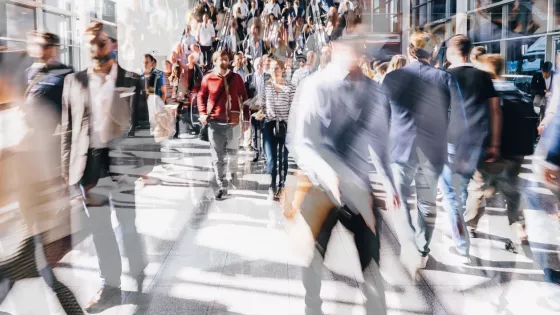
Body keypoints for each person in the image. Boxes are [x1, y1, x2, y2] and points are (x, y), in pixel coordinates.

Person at [286, 30, 397, 315]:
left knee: (371, 260)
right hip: (320, 187)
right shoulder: (315, 86)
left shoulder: (374, 91)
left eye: (359, 49)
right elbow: (301, 141)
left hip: (359, 189)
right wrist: (328, 173)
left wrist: (389, 180)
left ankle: (376, 310)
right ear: (334, 49)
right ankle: (313, 307)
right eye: (350, 48)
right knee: (313, 257)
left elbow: (381, 142)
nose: (356, 55)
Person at [61, 22, 147, 312]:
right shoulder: (74, 82)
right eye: (90, 43)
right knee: (100, 228)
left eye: (100, 42)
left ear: (113, 44)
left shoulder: (133, 81)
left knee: (127, 224)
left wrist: (144, 164)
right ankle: (110, 285)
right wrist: (66, 169)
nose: (95, 49)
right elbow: (68, 128)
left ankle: (136, 259)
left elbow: (142, 127)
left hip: (122, 163)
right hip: (90, 166)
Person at [0, 48, 84, 315]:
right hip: (27, 230)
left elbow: (40, 175)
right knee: (45, 281)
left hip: (29, 231)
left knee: (35, 283)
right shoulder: (21, 114)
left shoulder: (25, 117)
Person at [382, 31, 469, 277]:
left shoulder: (392, 78)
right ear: (432, 53)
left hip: (400, 150)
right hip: (433, 151)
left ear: (410, 51)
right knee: (427, 204)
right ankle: (422, 250)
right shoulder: (446, 79)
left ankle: (408, 243)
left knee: (398, 200)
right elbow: (459, 121)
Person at [438, 35, 501, 259]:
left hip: (451, 141)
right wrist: (494, 143)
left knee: (450, 193)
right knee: (462, 187)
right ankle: (460, 226)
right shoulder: (483, 77)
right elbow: (495, 111)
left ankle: (461, 242)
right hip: (477, 142)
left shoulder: (443, 76)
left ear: (451, 52)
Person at [464, 53, 531, 250]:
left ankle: (470, 225)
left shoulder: (488, 92)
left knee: (478, 188)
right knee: (512, 192)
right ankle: (518, 227)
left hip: (492, 150)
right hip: (517, 151)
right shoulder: (515, 89)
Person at [198, 50, 249, 199]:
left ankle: (232, 173)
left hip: (233, 123)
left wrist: (246, 119)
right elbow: (201, 96)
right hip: (214, 123)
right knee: (218, 157)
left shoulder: (237, 78)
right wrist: (202, 113)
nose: (224, 61)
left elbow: (244, 98)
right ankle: (222, 184)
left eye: (226, 59)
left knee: (233, 154)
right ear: (214, 61)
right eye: (221, 59)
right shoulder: (208, 78)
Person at [256, 59, 296, 199]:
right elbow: (262, 105)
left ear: (283, 69)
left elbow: (293, 109)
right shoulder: (266, 86)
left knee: (283, 158)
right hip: (269, 125)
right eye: (272, 68)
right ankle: (272, 185)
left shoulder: (291, 87)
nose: (275, 71)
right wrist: (261, 113)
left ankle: (282, 185)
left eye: (277, 68)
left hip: (285, 126)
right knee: (271, 159)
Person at [25, 31, 74, 128]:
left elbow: (72, 102)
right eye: (36, 45)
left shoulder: (66, 71)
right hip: (33, 127)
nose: (39, 49)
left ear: (54, 48)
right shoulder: (29, 72)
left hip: (57, 128)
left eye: (44, 46)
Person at [245, 57, 266, 161]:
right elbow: (245, 94)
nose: (259, 66)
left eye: (261, 64)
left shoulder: (268, 77)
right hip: (254, 109)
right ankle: (257, 153)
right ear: (254, 65)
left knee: (265, 132)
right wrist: (251, 104)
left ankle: (266, 153)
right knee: (255, 132)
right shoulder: (249, 78)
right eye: (257, 65)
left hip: (265, 109)